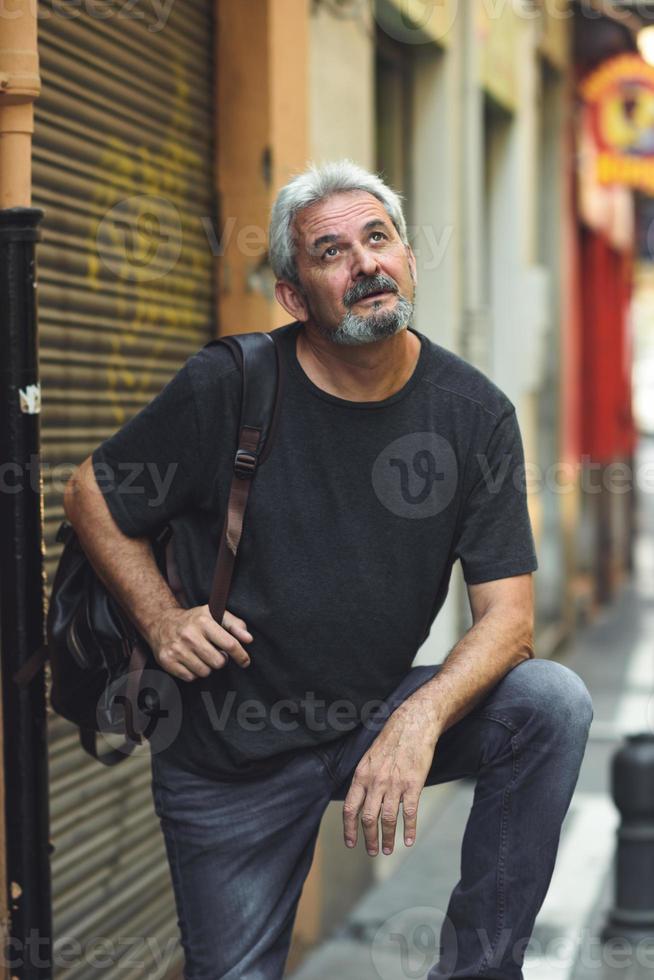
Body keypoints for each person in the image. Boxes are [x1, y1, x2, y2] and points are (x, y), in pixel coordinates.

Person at [63, 160, 593, 980]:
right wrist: (162, 619)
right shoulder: (230, 385)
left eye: (378, 238)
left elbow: (510, 621)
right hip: (228, 753)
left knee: (550, 702)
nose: (365, 264)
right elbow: (90, 492)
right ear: (293, 294)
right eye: (331, 252)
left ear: (409, 257)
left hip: (368, 719)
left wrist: (416, 724)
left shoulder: (474, 414)